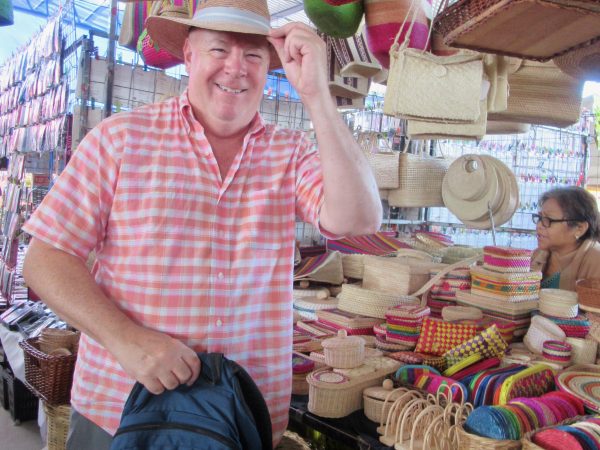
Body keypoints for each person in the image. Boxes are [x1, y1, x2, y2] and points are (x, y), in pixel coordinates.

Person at [21, 0, 382, 448]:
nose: (237, 68)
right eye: (219, 49)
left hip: (241, 416)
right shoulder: (120, 139)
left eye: (253, 55)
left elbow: (359, 217)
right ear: (189, 55)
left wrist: (316, 97)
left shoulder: (289, 154)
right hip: (119, 410)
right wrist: (127, 340)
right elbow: (45, 258)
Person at [530, 186, 600, 291]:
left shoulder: (596, 262)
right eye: (540, 218)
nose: (539, 225)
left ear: (579, 229)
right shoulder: (538, 255)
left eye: (548, 219)